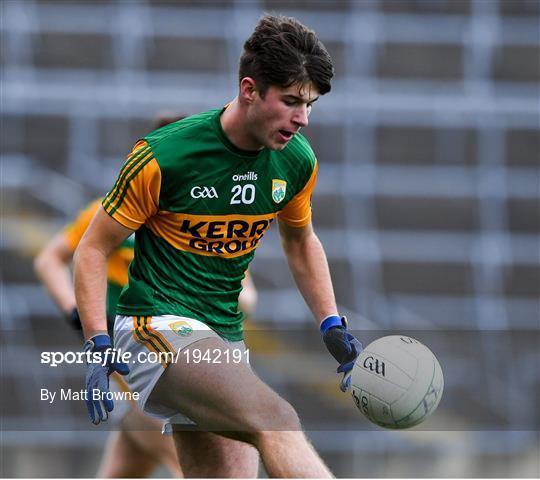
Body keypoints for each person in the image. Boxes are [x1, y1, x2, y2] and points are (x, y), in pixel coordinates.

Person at [74, 14, 361, 478]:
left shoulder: (296, 161)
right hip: (155, 327)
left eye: (308, 105)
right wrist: (97, 343)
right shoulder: (162, 156)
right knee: (278, 422)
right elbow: (91, 249)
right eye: (290, 101)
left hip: (222, 338)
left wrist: (330, 322)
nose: (302, 119)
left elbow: (302, 242)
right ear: (250, 90)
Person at [34, 198, 183, 478]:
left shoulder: (195, 214)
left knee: (124, 469)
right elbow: (49, 260)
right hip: (131, 359)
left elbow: (244, 294)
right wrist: (78, 315)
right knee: (189, 463)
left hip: (167, 352)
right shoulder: (113, 209)